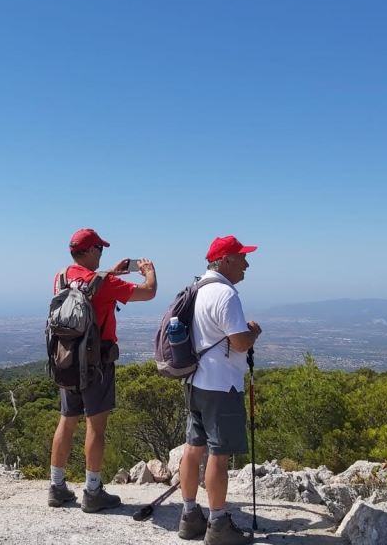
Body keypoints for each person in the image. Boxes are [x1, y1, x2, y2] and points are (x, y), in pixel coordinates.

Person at [48, 227, 157, 512]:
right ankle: (93, 491)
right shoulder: (104, 285)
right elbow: (149, 293)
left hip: (65, 360)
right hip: (97, 362)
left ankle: (56, 487)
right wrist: (148, 271)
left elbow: (86, 284)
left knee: (67, 420)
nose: (102, 253)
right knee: (96, 426)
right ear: (90, 250)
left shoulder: (61, 278)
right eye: (100, 248)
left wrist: (111, 271)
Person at [177, 235, 261, 545]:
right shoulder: (225, 295)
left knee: (193, 447)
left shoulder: (197, 290)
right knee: (219, 454)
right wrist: (253, 332)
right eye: (242, 257)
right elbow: (239, 342)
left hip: (195, 381)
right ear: (225, 259)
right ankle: (218, 524)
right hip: (221, 385)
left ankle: (189, 516)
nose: (247, 264)